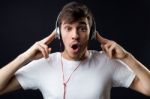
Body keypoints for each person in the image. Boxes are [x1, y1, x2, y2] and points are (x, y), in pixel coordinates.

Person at [0, 1, 150, 99]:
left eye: (82, 28)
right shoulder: (44, 64)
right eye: (68, 28)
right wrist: (24, 57)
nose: (75, 35)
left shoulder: (107, 62)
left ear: (91, 33)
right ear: (59, 33)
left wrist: (127, 57)